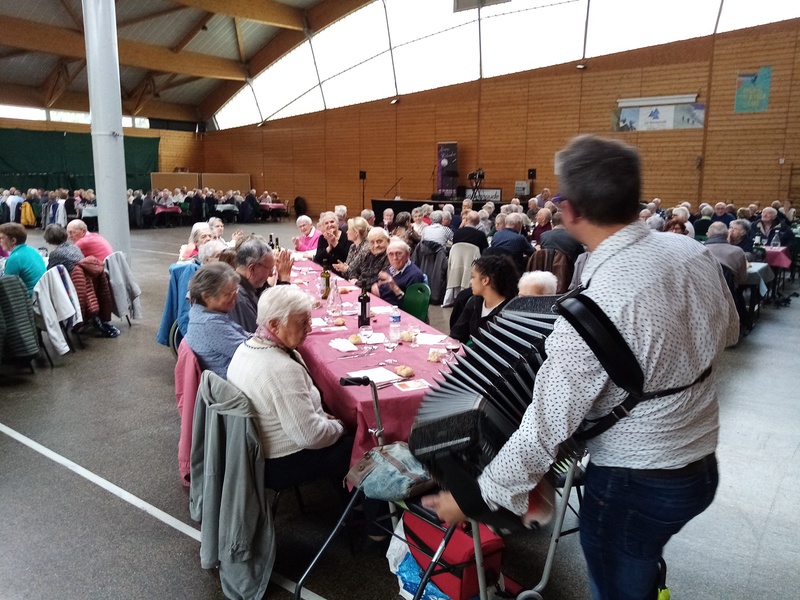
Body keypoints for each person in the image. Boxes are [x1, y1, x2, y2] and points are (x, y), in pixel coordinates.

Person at [423, 134, 738, 600]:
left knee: (619, 585)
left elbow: (545, 426)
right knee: (639, 564)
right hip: (700, 463)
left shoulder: (594, 306)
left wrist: (475, 497)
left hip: (636, 480)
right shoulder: (691, 253)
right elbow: (728, 332)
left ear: (568, 210)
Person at [184, 262, 249, 379]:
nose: (236, 297)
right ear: (206, 297)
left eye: (236, 291)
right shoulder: (209, 324)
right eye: (229, 294)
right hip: (232, 383)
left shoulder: (201, 312)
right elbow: (250, 352)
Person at [449, 254, 518, 343]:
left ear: (485, 280)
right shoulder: (475, 302)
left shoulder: (509, 313)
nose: (470, 281)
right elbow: (456, 335)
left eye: (473, 277)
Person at [229, 238, 292, 333]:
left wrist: (281, 281)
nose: (271, 274)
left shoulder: (248, 285)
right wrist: (284, 281)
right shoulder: (239, 297)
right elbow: (261, 334)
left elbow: (271, 303)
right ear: (252, 269)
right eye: (270, 269)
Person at [372, 238, 424, 305]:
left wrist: (395, 288)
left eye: (399, 253)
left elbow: (412, 305)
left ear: (407, 255)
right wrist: (376, 287)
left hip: (397, 310)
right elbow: (384, 288)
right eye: (391, 254)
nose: (395, 258)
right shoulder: (391, 269)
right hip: (382, 305)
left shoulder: (415, 275)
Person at [0, 223, 46, 294]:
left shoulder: (14, 259)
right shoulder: (32, 250)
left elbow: (7, 288)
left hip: (29, 297)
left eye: (1, 238)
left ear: (13, 240)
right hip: (41, 293)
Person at [704, 222, 747, 287]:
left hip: (705, 289)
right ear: (727, 234)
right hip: (730, 290)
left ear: (708, 235)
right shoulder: (737, 252)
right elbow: (743, 279)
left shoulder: (700, 250)